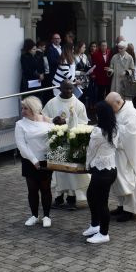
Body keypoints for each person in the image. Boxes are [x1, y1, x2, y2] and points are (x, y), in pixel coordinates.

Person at [43, 81, 90, 212]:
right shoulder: (51, 103)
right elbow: (43, 118)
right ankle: (58, 198)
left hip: (72, 142)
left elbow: (84, 122)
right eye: (66, 88)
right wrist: (53, 120)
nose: (69, 91)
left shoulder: (78, 104)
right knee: (58, 171)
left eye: (71, 88)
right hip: (56, 141)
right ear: (60, 88)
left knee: (70, 172)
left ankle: (71, 199)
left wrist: (67, 121)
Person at [106, 92, 136, 222]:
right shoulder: (117, 111)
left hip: (128, 155)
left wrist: (113, 129)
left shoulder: (131, 113)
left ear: (118, 102)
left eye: (110, 106)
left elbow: (131, 134)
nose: (109, 109)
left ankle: (131, 210)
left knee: (129, 179)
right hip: (117, 154)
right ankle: (122, 206)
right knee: (118, 180)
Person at [82, 101, 119, 244]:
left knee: (101, 202)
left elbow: (90, 152)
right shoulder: (115, 128)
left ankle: (104, 233)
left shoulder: (98, 132)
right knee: (91, 195)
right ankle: (95, 225)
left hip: (101, 171)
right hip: (110, 170)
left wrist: (86, 165)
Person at [15, 96, 55, 227]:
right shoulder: (20, 124)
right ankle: (34, 215)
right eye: (22, 108)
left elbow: (56, 135)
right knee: (32, 189)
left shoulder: (46, 120)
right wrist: (34, 160)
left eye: (25, 108)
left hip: (46, 160)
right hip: (29, 161)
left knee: (46, 189)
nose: (23, 111)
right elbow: (21, 145)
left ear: (33, 108)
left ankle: (47, 216)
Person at [90, 40, 113, 104]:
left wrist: (110, 69)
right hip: (100, 77)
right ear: (100, 46)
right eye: (102, 46)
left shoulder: (110, 52)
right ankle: (100, 108)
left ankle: (108, 107)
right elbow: (93, 66)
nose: (104, 47)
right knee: (100, 94)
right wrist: (93, 74)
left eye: (105, 45)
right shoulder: (95, 54)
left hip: (108, 77)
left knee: (108, 93)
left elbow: (113, 63)